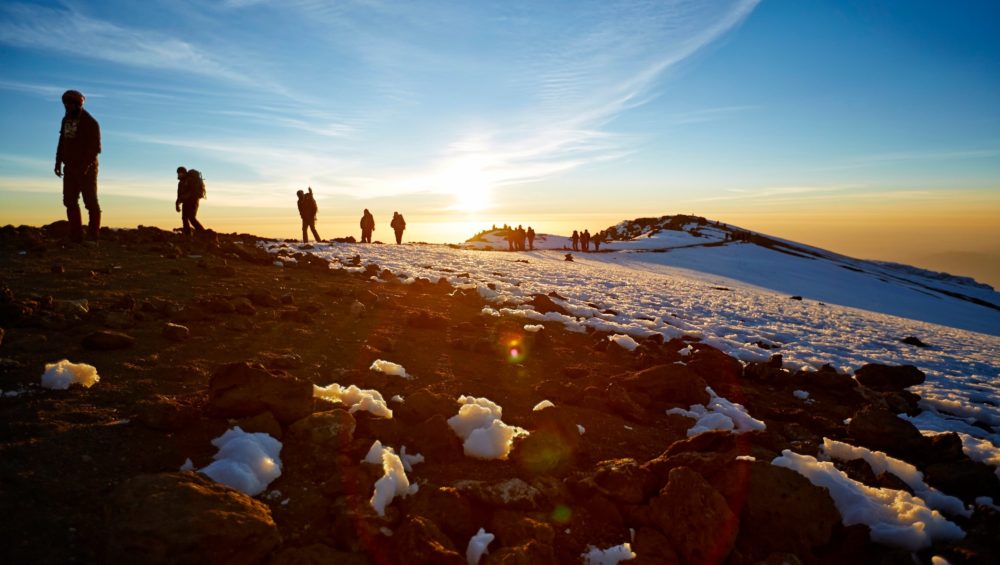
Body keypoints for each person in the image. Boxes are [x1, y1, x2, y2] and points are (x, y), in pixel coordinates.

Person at [55, 90, 101, 243]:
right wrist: (58, 162)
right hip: (70, 167)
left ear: (77, 104)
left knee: (90, 202)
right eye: (65, 103)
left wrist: (84, 167)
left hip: (87, 169)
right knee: (69, 200)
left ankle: (93, 236)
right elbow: (63, 141)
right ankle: (75, 235)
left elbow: (95, 148)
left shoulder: (90, 122)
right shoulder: (66, 120)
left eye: (69, 103)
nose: (66, 106)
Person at [175, 167, 206, 236]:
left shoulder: (190, 180)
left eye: (180, 173)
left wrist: (186, 198)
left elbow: (193, 192)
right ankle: (187, 234)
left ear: (183, 173)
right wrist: (177, 203)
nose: (178, 174)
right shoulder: (181, 182)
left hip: (193, 201)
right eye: (178, 173)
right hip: (185, 202)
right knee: (184, 218)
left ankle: (203, 233)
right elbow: (179, 194)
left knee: (191, 218)